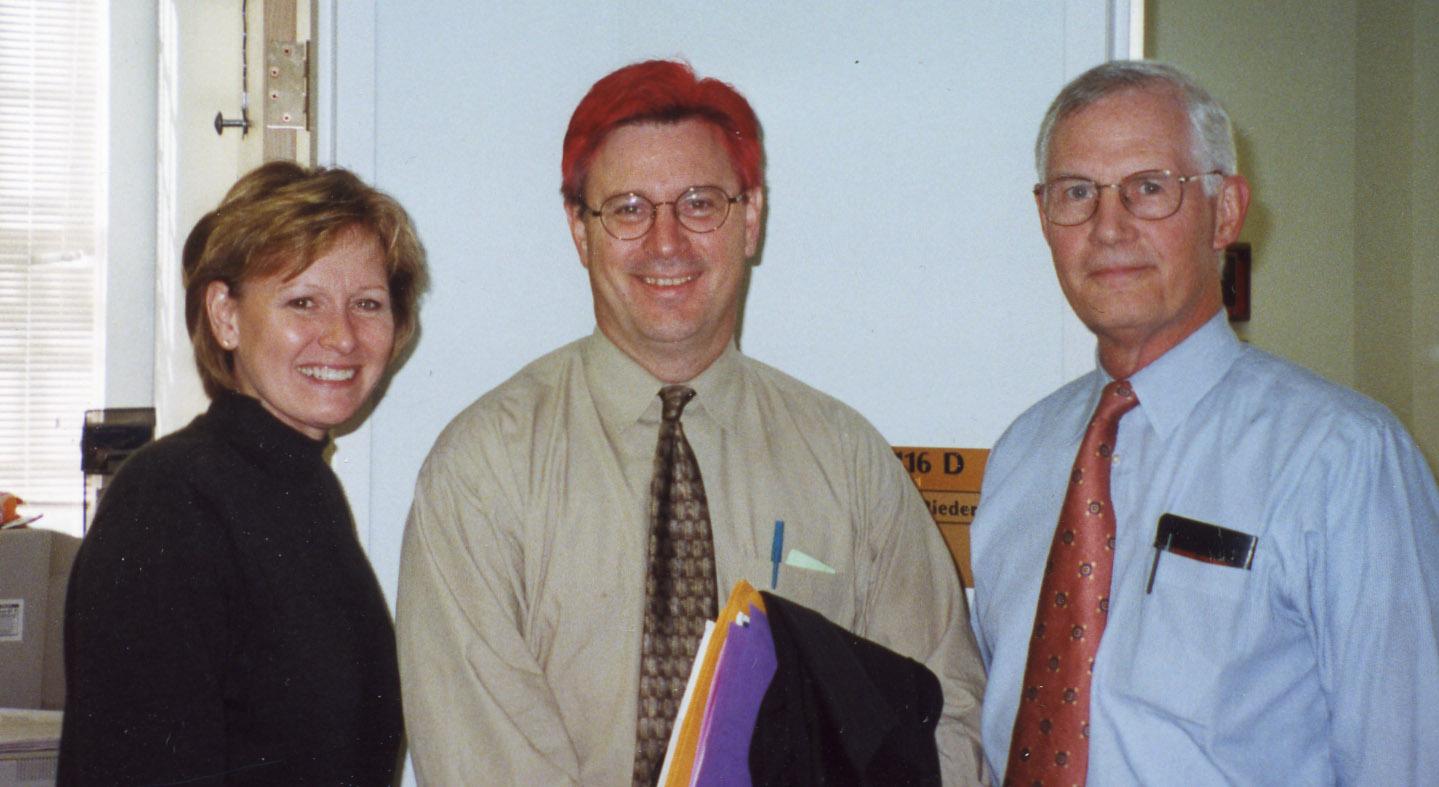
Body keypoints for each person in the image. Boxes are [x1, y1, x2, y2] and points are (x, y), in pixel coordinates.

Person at [397, 59, 987, 785]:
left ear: (752, 219)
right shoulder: (482, 467)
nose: (666, 242)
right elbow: (478, 757)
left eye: (700, 203)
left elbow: (944, 712)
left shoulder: (847, 460)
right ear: (580, 232)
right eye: (628, 209)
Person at [970, 59, 1439, 785]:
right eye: (1075, 193)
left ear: (1225, 211)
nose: (1107, 227)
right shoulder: (1019, 457)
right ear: (1043, 219)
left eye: (1149, 189)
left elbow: (1402, 761)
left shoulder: (1343, 459)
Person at [59, 161, 427, 785]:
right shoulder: (170, 501)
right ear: (226, 315)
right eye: (303, 302)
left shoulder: (302, 490)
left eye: (367, 303)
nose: (341, 337)